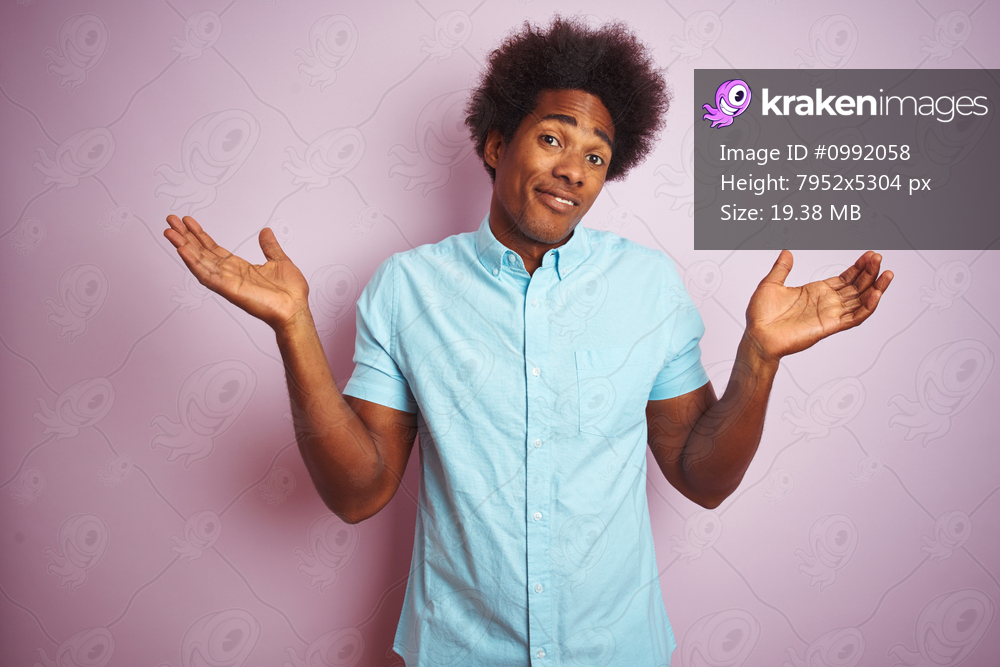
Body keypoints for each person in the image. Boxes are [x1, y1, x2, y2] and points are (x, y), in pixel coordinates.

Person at [163, 16, 892, 667]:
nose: (573, 169)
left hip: (618, 650)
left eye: (597, 157)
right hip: (457, 650)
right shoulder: (406, 289)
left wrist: (759, 358)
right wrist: (293, 326)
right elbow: (359, 492)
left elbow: (702, 477)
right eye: (552, 138)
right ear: (495, 143)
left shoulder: (648, 288)